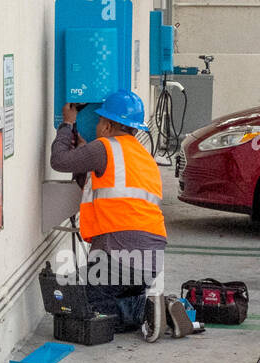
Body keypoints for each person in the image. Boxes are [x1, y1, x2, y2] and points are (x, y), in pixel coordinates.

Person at [50, 90, 194, 338]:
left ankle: (143, 313)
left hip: (117, 253)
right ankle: (151, 310)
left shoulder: (103, 148)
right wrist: (86, 153)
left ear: (108, 125)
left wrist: (67, 124)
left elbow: (60, 161)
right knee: (115, 292)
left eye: (99, 121)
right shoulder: (143, 158)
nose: (96, 126)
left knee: (88, 309)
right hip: (151, 258)